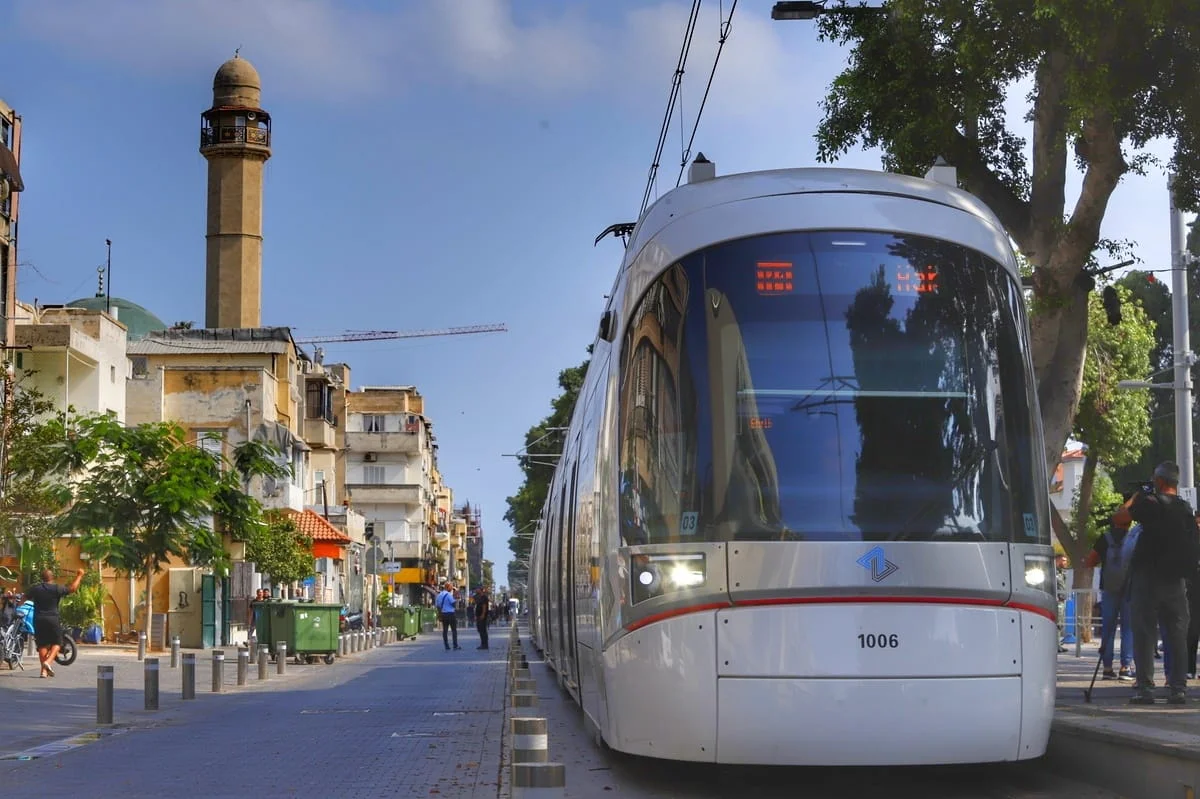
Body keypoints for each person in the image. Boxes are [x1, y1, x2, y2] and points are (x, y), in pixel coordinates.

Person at [1114, 462, 1196, 704]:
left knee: (1144, 634)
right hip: (1177, 581)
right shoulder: (1185, 509)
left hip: (1147, 578)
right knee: (1177, 635)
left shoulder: (1149, 504)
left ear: (1159, 481)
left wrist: (1136, 497)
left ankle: (1145, 688)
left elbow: (1120, 517)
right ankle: (1178, 688)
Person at [1084, 510, 1139, 681]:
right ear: (1129, 522)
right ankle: (1126, 667)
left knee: (1107, 628)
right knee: (1128, 628)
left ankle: (1107, 668)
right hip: (1129, 589)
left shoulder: (1104, 538)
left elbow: (1090, 561)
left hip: (1108, 588)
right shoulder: (1133, 538)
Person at [26, 568, 85, 678]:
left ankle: (43, 672)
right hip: (53, 619)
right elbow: (72, 588)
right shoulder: (57, 588)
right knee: (58, 642)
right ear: (52, 578)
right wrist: (79, 576)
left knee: (42, 645)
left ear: (42, 578)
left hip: (39, 619)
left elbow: (23, 598)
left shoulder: (36, 589)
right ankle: (48, 662)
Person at [435, 581, 460, 651]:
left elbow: (438, 606)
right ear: (448, 587)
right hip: (451, 614)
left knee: (445, 630)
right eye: (451, 586)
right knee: (454, 630)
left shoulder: (439, 595)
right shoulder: (449, 595)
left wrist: (440, 615)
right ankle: (455, 645)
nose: (452, 588)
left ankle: (446, 645)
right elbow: (454, 604)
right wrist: (455, 597)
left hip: (443, 614)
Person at [474, 586, 490, 650]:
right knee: (480, 630)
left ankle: (484, 645)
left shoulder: (483, 597)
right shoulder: (479, 597)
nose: (476, 590)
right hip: (479, 616)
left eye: (477, 589)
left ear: (480, 590)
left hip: (482, 616)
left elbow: (484, 606)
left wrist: (483, 614)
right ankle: (483, 644)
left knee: (482, 630)